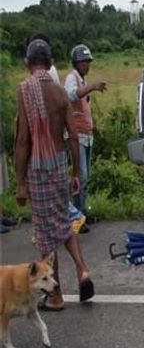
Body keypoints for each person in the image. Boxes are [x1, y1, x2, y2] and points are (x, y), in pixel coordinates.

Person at [14, 39, 94, 308]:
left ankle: (56, 296)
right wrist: (74, 172)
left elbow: (23, 140)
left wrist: (21, 182)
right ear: (49, 64)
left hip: (38, 168)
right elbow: (73, 136)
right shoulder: (60, 93)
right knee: (64, 221)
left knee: (46, 234)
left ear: (28, 64)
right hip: (60, 164)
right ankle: (83, 269)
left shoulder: (25, 91)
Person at [25, 33, 87, 234]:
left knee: (50, 203)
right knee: (58, 199)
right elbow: (72, 131)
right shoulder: (53, 76)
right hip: (58, 150)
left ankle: (73, 218)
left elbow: (22, 137)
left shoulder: (33, 83)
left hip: (44, 152)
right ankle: (77, 261)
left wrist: (20, 181)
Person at [64, 44, 106, 223]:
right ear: (76, 63)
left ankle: (81, 212)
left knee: (86, 177)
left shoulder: (82, 79)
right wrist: (92, 87)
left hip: (86, 135)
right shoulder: (71, 78)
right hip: (76, 135)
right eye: (83, 62)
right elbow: (71, 96)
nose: (87, 65)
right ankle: (76, 216)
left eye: (88, 62)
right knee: (80, 176)